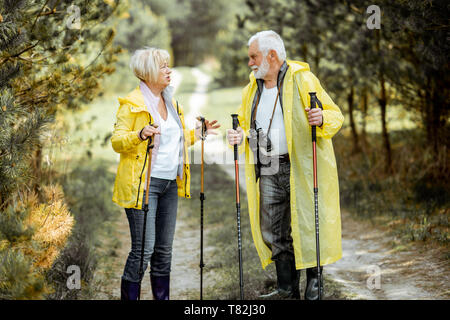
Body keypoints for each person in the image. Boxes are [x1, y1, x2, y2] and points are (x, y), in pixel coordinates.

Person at [227, 30, 344, 300]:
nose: (250, 63)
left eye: (254, 57)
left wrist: (321, 117)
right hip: (267, 166)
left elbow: (335, 116)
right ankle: (286, 289)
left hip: (300, 165)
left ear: (272, 55)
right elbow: (246, 127)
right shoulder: (251, 90)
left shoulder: (303, 80)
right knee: (273, 230)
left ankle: (314, 286)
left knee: (307, 225)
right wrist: (238, 135)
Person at [111, 47, 219, 300]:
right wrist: (139, 134)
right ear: (148, 72)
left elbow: (176, 140)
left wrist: (198, 133)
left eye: (168, 65)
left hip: (170, 183)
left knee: (163, 250)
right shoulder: (132, 104)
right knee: (143, 250)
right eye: (163, 67)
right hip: (143, 185)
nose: (169, 70)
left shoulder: (171, 103)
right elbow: (117, 141)